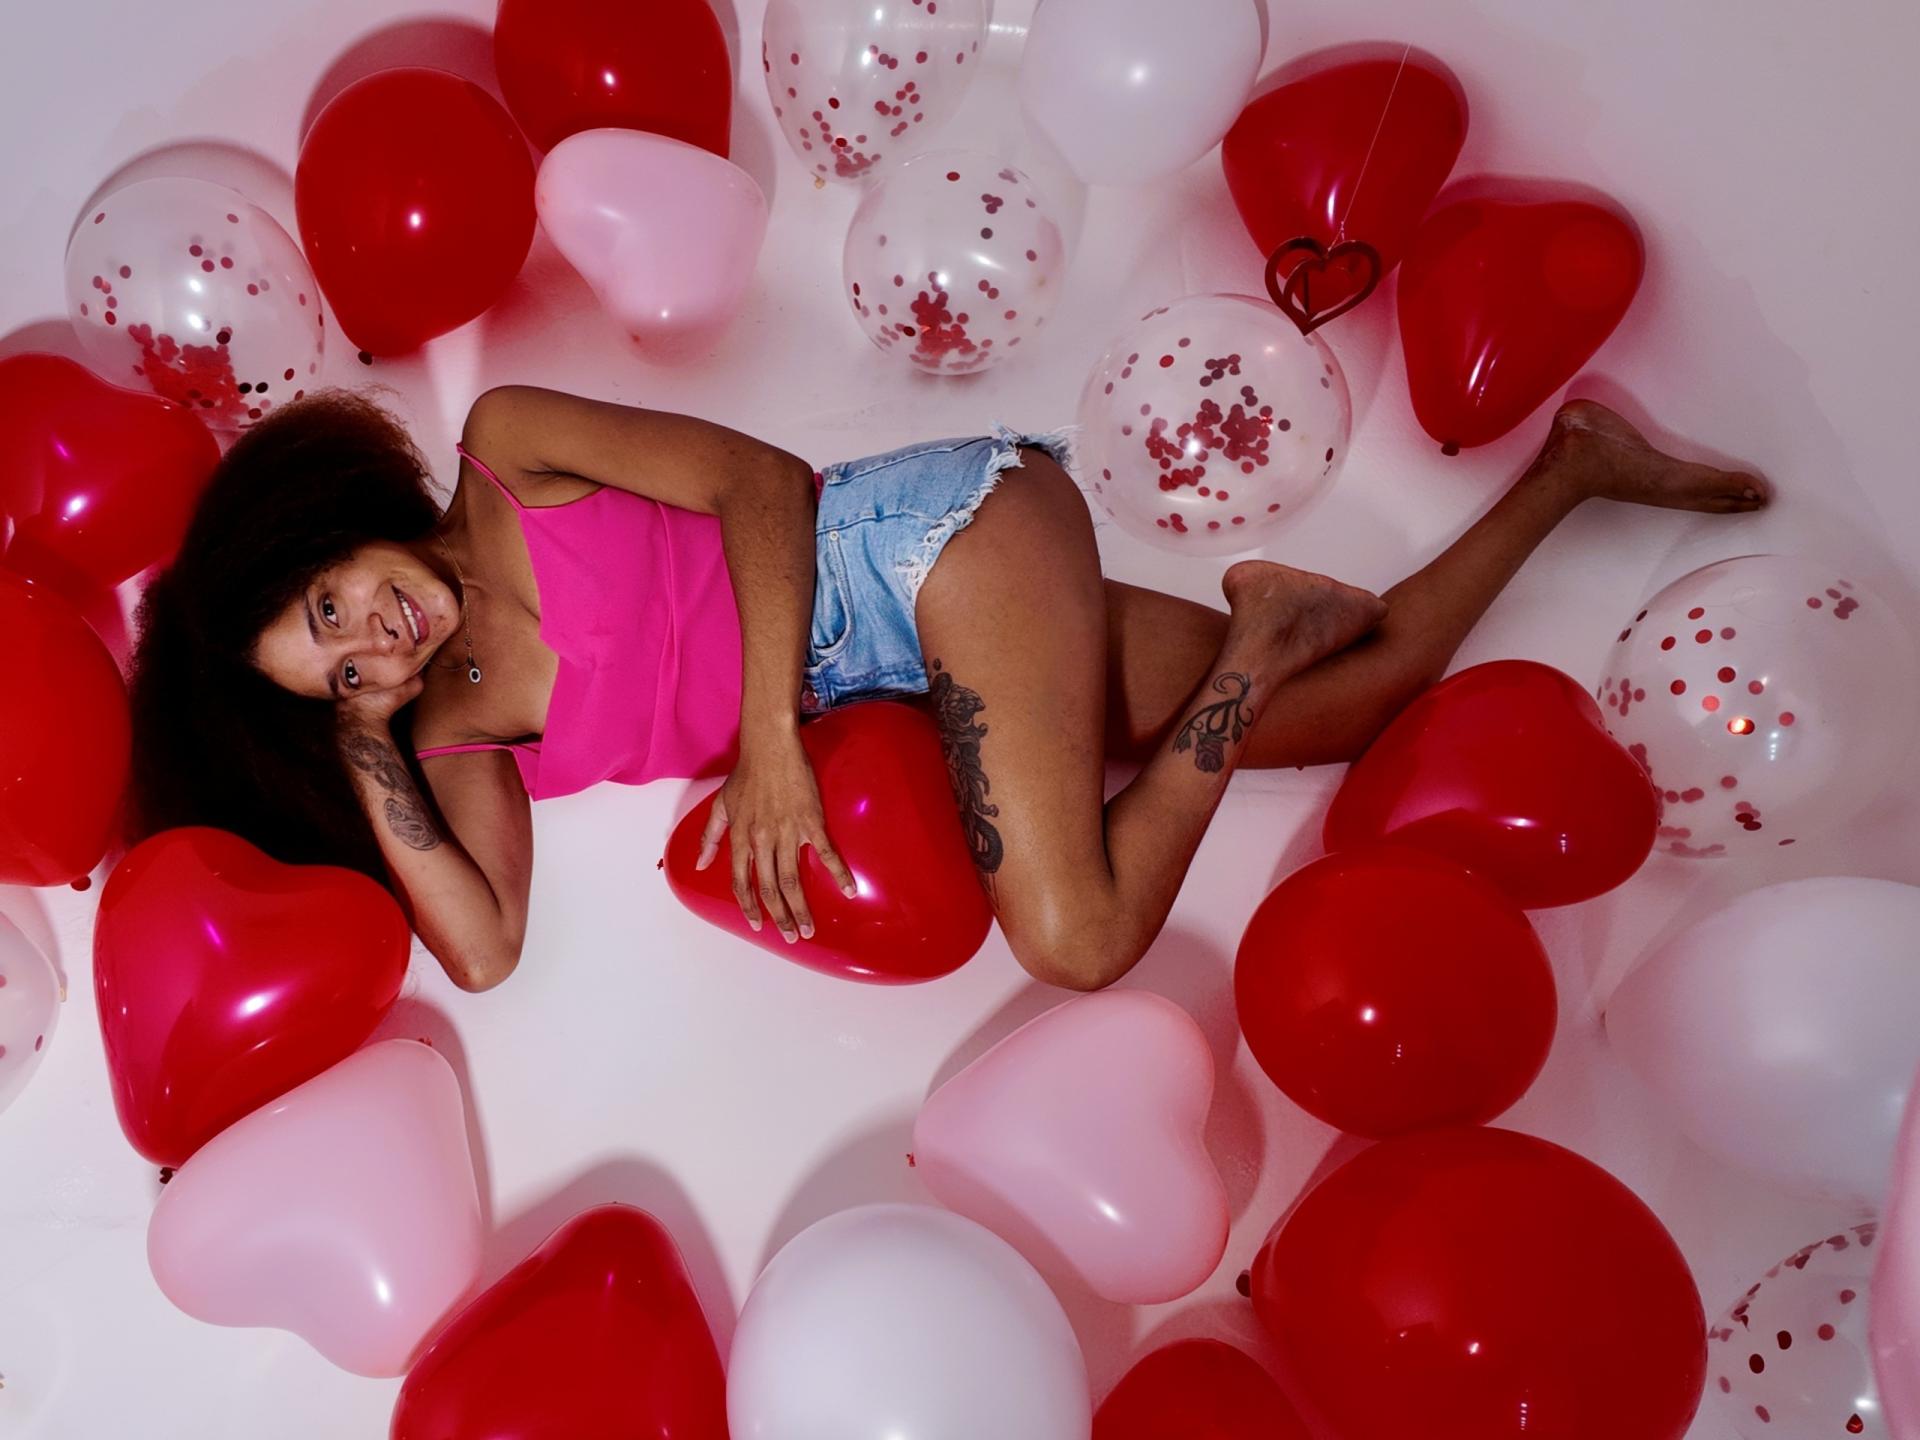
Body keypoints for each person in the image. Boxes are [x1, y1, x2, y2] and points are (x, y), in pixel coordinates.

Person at [129, 386, 1766, 992]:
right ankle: (1574, 470)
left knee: (1074, 937)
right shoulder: (456, 731)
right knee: (1363, 709)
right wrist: (369, 748)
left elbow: (763, 484)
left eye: (334, 602)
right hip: (928, 663)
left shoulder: (508, 452)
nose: (379, 635)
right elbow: (481, 953)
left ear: (329, 520)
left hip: (927, 542)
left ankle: (1261, 638)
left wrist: (773, 746)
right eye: (341, 668)